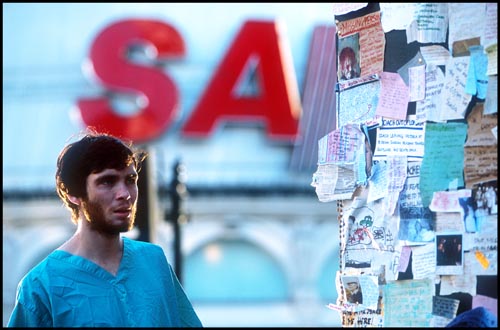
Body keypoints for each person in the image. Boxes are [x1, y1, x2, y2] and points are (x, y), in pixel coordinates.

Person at [7, 129, 203, 327]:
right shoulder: (41, 286)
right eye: (107, 181)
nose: (124, 194)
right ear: (73, 194)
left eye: (130, 180)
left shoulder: (154, 261)